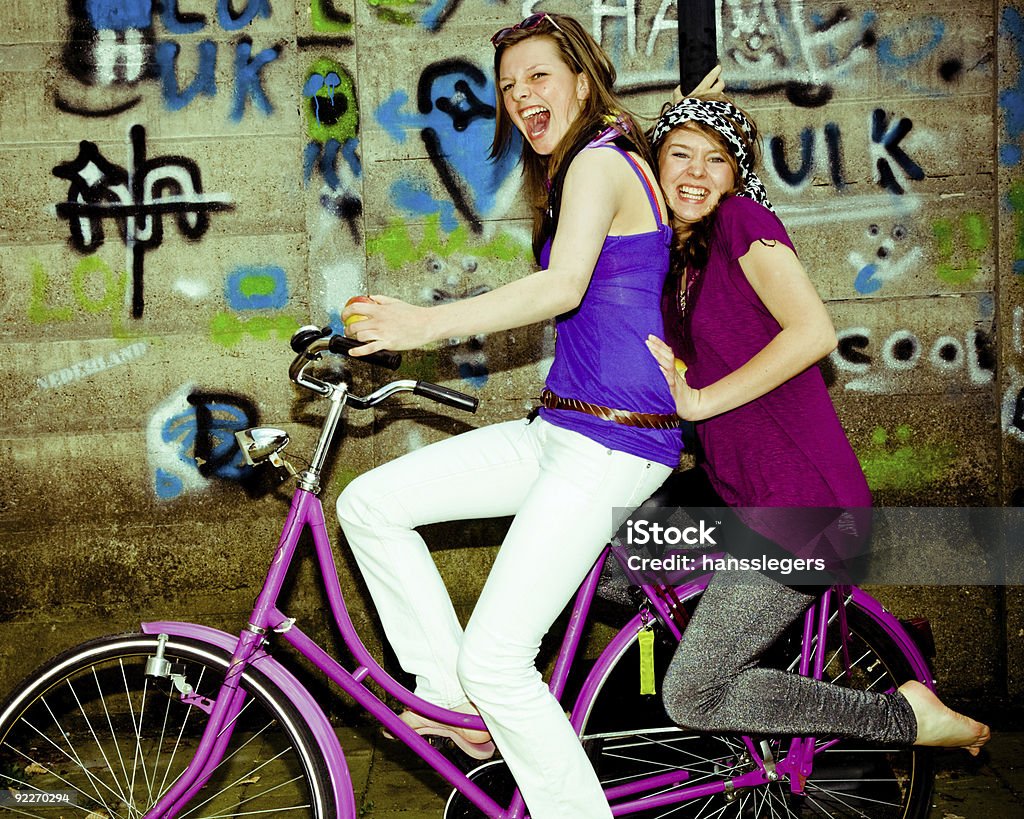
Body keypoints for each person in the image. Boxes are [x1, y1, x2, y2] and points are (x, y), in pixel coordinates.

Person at [337, 13, 684, 818]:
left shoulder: (603, 162)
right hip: (558, 431)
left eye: (537, 76)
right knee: (367, 503)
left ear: (582, 79)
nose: (521, 96)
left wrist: (421, 326)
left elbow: (561, 289)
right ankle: (447, 694)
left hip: (615, 446)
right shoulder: (569, 176)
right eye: (508, 86)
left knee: (500, 662)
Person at [644, 89, 991, 753]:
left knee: (691, 692)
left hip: (805, 507)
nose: (695, 172)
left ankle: (903, 717)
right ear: (652, 166)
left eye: (716, 160)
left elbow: (813, 331)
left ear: (736, 177)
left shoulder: (741, 222)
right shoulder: (673, 267)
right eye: (680, 154)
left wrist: (700, 401)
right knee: (598, 557)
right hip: (734, 494)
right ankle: (738, 666)